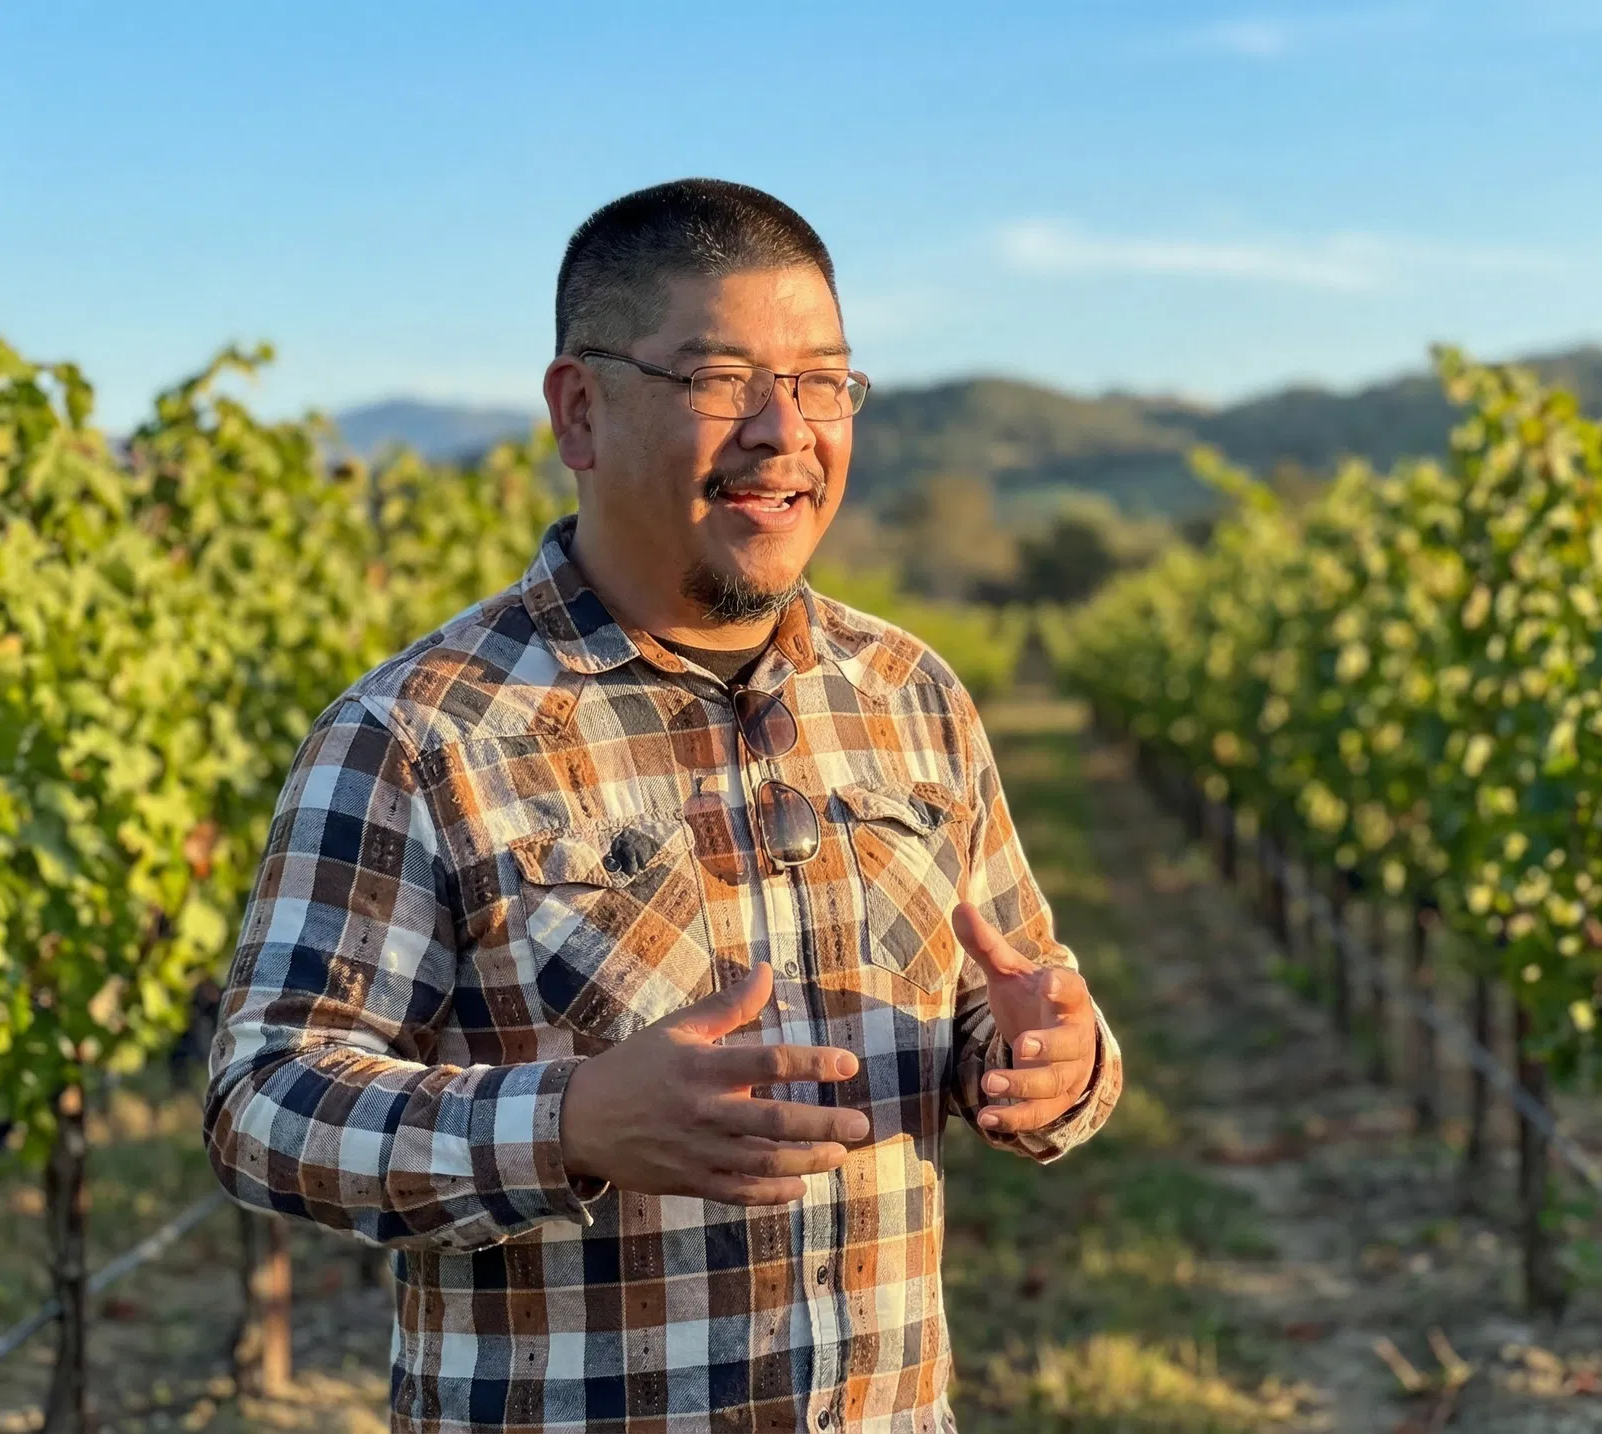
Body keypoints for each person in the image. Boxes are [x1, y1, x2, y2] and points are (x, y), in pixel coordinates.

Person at [203, 178, 1122, 1434]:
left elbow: (1021, 995)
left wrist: (1046, 1062)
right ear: (579, 411)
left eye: (823, 381)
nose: (783, 430)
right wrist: (570, 1123)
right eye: (720, 378)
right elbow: (263, 1102)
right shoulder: (420, 733)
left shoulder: (914, 697)